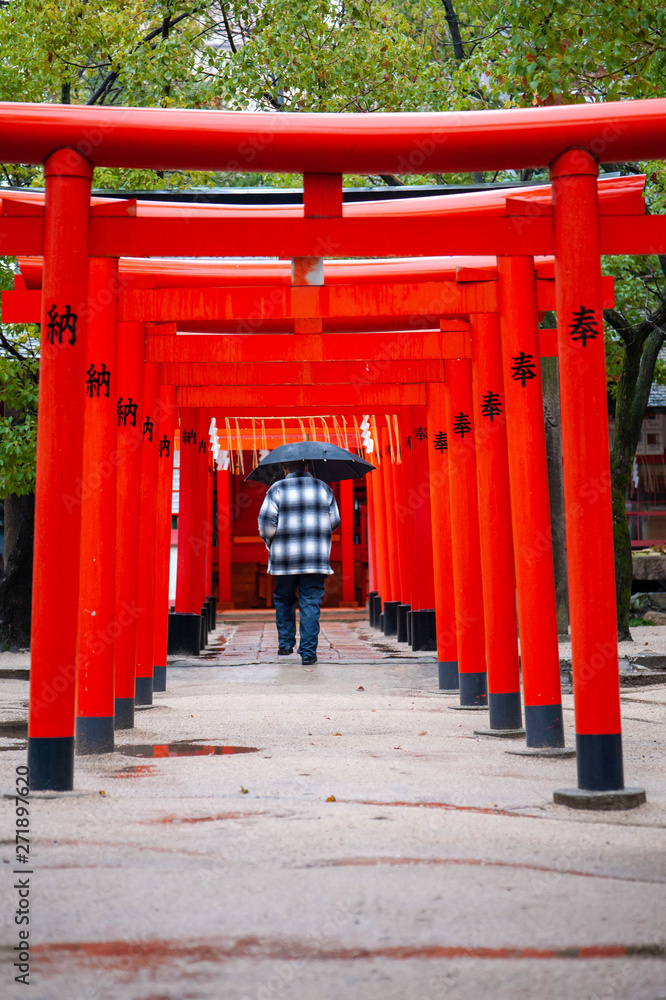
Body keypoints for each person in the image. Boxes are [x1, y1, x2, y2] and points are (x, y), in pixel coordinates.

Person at [258, 459, 340, 665]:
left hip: (284, 558)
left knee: (284, 599)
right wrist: (317, 533)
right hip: (315, 558)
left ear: (284, 468)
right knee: (310, 601)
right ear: (305, 467)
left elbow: (266, 525)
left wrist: (271, 543)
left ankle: (285, 644)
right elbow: (335, 521)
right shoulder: (324, 489)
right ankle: (308, 652)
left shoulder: (276, 489)